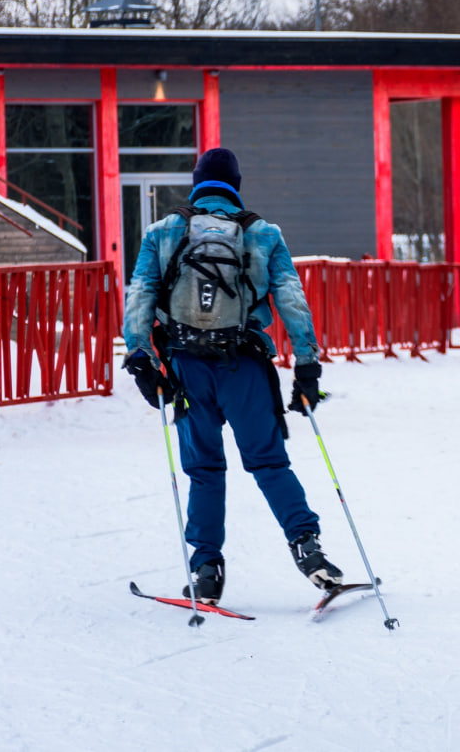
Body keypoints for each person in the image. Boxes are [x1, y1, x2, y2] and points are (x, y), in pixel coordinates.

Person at [122, 147, 345, 605]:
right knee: (268, 461)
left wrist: (142, 359)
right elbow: (291, 298)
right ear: (235, 186)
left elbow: (140, 293)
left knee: (204, 469)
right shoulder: (262, 233)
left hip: (187, 368)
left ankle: (206, 567)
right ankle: (309, 549)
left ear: (197, 182)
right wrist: (307, 365)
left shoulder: (164, 231)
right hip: (243, 364)